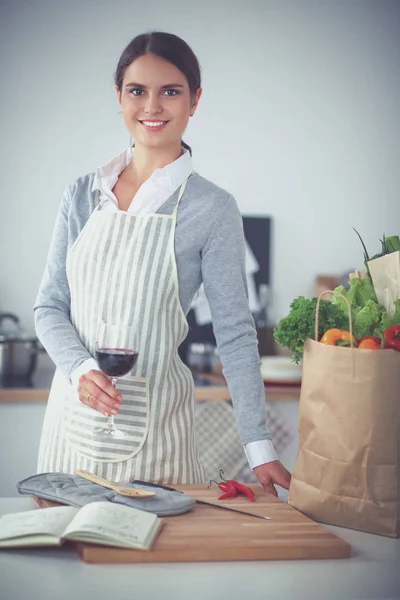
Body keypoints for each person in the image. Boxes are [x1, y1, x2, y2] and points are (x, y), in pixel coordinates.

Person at [34, 31, 291, 495]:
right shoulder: (81, 195)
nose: (152, 106)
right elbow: (49, 307)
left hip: (157, 442)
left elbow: (234, 332)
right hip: (71, 428)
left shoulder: (212, 208)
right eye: (137, 91)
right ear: (119, 97)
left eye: (170, 91)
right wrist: (79, 368)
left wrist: (259, 447)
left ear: (194, 99)